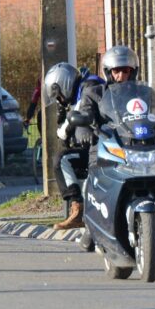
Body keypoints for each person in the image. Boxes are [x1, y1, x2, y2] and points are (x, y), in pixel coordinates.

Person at [78, 45, 155, 252]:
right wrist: (82, 127)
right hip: (107, 145)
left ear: (133, 71)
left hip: (144, 146)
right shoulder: (94, 93)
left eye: (126, 71)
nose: (121, 75)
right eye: (116, 71)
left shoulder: (147, 94)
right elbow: (84, 113)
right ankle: (91, 224)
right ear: (108, 72)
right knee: (92, 177)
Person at [43, 62, 104, 230]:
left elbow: (65, 130)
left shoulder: (88, 87)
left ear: (64, 84)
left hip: (99, 147)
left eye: (59, 95)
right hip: (98, 145)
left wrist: (63, 122)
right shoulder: (86, 86)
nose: (61, 100)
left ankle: (78, 207)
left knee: (61, 160)